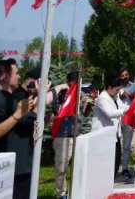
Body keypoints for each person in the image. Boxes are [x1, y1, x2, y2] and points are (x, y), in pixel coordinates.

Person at [0, 60, 37, 199]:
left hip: (18, 167)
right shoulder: (3, 101)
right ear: (5, 76)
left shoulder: (9, 100)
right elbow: (31, 121)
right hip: (15, 170)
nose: (19, 77)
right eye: (16, 73)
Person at [52, 71, 86, 199]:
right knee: (61, 168)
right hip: (63, 136)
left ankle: (77, 192)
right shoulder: (61, 93)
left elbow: (85, 113)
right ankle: (61, 194)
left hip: (77, 135)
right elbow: (57, 111)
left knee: (79, 166)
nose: (78, 84)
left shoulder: (80, 94)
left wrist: (87, 105)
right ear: (69, 81)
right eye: (76, 81)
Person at [91, 75, 125, 178]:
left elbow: (122, 106)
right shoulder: (103, 98)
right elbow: (110, 113)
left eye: (119, 89)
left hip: (114, 133)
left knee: (116, 159)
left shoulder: (115, 96)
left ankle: (112, 179)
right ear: (109, 87)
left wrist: (131, 108)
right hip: (103, 133)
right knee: (105, 161)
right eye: (116, 89)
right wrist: (126, 111)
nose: (117, 92)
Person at [116, 67, 135, 180]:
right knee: (115, 144)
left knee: (126, 145)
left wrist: (129, 95)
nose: (124, 77)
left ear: (129, 75)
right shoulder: (115, 86)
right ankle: (114, 168)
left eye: (126, 75)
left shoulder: (134, 86)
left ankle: (124, 168)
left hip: (128, 118)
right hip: (115, 118)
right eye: (122, 75)